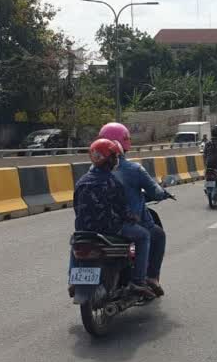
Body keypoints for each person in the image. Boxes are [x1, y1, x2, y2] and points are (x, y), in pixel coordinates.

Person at [73, 139, 155, 297]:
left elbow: (77, 207)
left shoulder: (81, 181)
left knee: (76, 242)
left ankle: (73, 280)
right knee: (144, 235)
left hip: (84, 229)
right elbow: (122, 209)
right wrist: (133, 217)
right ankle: (138, 281)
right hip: (111, 228)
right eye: (114, 157)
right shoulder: (112, 182)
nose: (116, 160)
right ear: (109, 159)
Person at [98, 123, 171, 296]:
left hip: (98, 224)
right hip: (125, 224)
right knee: (156, 234)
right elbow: (154, 191)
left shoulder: (93, 170)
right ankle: (147, 278)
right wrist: (163, 193)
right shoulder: (133, 169)